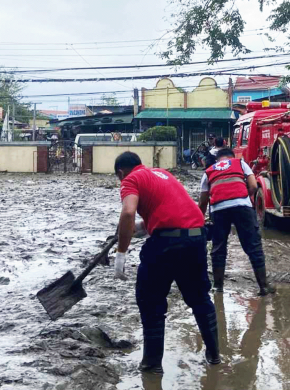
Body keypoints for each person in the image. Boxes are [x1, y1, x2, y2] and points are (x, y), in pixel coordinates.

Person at [113, 152, 221, 374]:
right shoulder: (161, 174)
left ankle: (152, 365)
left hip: (167, 242)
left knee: (150, 301)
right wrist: (142, 228)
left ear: (121, 172)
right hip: (196, 237)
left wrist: (121, 254)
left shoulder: (130, 179)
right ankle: (214, 356)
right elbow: (169, 211)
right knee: (200, 298)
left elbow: (127, 213)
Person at [198, 148, 275, 296]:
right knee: (253, 246)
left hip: (218, 210)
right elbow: (253, 185)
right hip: (243, 207)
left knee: (218, 247)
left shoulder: (208, 171)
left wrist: (199, 219)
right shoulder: (240, 163)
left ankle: (218, 287)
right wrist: (243, 197)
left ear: (217, 160)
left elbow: (203, 201)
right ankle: (264, 287)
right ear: (231, 157)